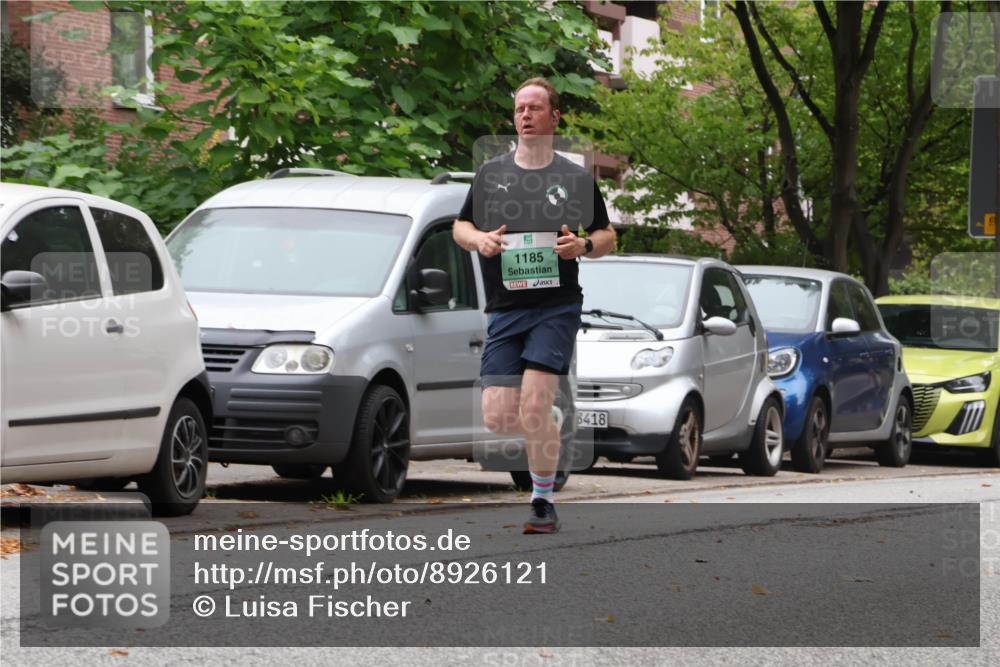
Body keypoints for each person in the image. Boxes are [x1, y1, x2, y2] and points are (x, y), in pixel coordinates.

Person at [453, 77, 616, 534]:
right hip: (506, 310)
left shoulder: (574, 178)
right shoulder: (491, 175)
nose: (525, 116)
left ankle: (542, 502)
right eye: (519, 109)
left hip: (555, 308)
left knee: (532, 408)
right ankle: (550, 418)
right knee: (500, 417)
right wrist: (479, 239)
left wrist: (581, 245)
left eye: (534, 109)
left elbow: (607, 236)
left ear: (554, 118)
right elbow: (460, 226)